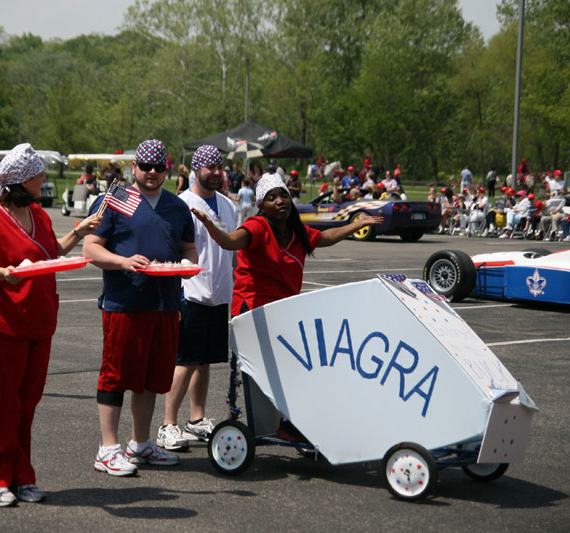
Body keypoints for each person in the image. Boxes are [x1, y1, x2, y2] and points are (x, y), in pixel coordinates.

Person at [0, 143, 101, 506]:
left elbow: (51, 252)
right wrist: (3, 273)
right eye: (38, 174)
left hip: (37, 324)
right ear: (21, 181)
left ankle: (21, 477)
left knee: (25, 404)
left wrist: (80, 231)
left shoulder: (39, 214)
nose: (44, 179)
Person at [83, 139, 198, 477]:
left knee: (150, 379)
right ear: (133, 167)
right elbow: (90, 248)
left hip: (164, 304)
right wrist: (123, 261)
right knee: (116, 375)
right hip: (124, 304)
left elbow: (189, 250)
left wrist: (186, 266)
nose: (151, 172)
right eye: (145, 166)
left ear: (167, 168)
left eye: (157, 167)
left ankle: (141, 443)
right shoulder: (115, 200)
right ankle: (107, 449)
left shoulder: (177, 207)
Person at [190, 172, 382, 316]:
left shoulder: (297, 231)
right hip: (254, 309)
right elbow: (230, 242)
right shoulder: (257, 227)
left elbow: (327, 237)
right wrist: (210, 225)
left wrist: (358, 224)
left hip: (285, 308)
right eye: (272, 198)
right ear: (261, 206)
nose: (280, 201)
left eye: (284, 195)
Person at [157, 145, 236, 451]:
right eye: (210, 167)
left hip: (218, 295)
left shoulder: (228, 205)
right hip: (191, 294)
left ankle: (196, 419)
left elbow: (232, 251)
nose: (216, 172)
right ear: (196, 169)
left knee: (205, 362)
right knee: (185, 361)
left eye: (220, 167)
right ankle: (168, 424)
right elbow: (173, 250)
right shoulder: (182, 205)